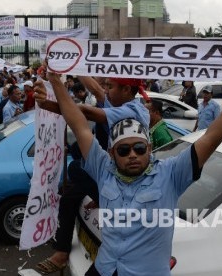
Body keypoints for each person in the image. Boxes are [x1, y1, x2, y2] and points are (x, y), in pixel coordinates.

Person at [34, 57, 222, 275]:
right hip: (105, 268)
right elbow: (79, 125)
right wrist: (56, 81)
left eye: (139, 148)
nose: (133, 155)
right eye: (124, 151)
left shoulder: (171, 175)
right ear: (111, 154)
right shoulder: (103, 169)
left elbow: (214, 134)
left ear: (149, 147)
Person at [34, 75, 150, 275]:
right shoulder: (119, 104)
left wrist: (47, 101)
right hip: (109, 172)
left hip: (122, 181)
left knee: (76, 169)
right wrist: (76, 66)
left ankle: (103, 197)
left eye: (111, 87)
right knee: (69, 196)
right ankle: (62, 252)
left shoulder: (133, 110)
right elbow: (96, 89)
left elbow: (84, 112)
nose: (106, 91)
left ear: (126, 91)